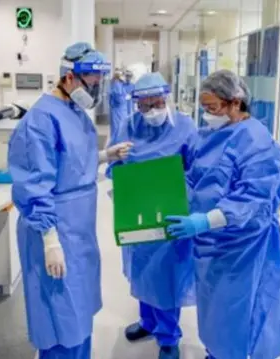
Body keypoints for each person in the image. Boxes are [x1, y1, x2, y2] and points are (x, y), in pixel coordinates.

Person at [8, 42, 133, 359]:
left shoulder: (74, 112)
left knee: (78, 311)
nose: (96, 85)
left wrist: (105, 156)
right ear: (68, 76)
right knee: (59, 314)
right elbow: (37, 183)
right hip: (54, 228)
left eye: (98, 79)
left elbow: (72, 163)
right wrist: (50, 240)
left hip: (77, 228)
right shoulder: (40, 119)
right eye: (90, 78)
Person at [166, 69, 280, 359]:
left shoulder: (257, 143)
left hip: (243, 247)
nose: (208, 115)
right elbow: (191, 168)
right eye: (205, 108)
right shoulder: (212, 134)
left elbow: (253, 199)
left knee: (237, 313)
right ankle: (215, 352)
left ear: (235, 103)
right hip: (210, 244)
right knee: (213, 310)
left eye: (213, 108)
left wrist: (204, 220)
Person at [106, 72, 197, 359]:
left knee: (166, 275)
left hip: (171, 211)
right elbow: (113, 165)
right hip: (138, 211)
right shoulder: (129, 126)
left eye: (156, 104)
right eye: (144, 106)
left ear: (166, 99)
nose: (151, 111)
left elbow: (197, 169)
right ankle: (148, 322)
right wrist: (119, 176)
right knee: (142, 269)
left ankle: (169, 337)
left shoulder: (185, 126)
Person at [109, 69, 129, 143]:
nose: (124, 77)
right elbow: (118, 99)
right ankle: (116, 143)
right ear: (119, 76)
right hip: (118, 111)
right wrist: (125, 97)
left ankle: (118, 142)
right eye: (123, 75)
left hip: (120, 110)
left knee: (120, 127)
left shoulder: (119, 84)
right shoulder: (116, 84)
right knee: (118, 128)